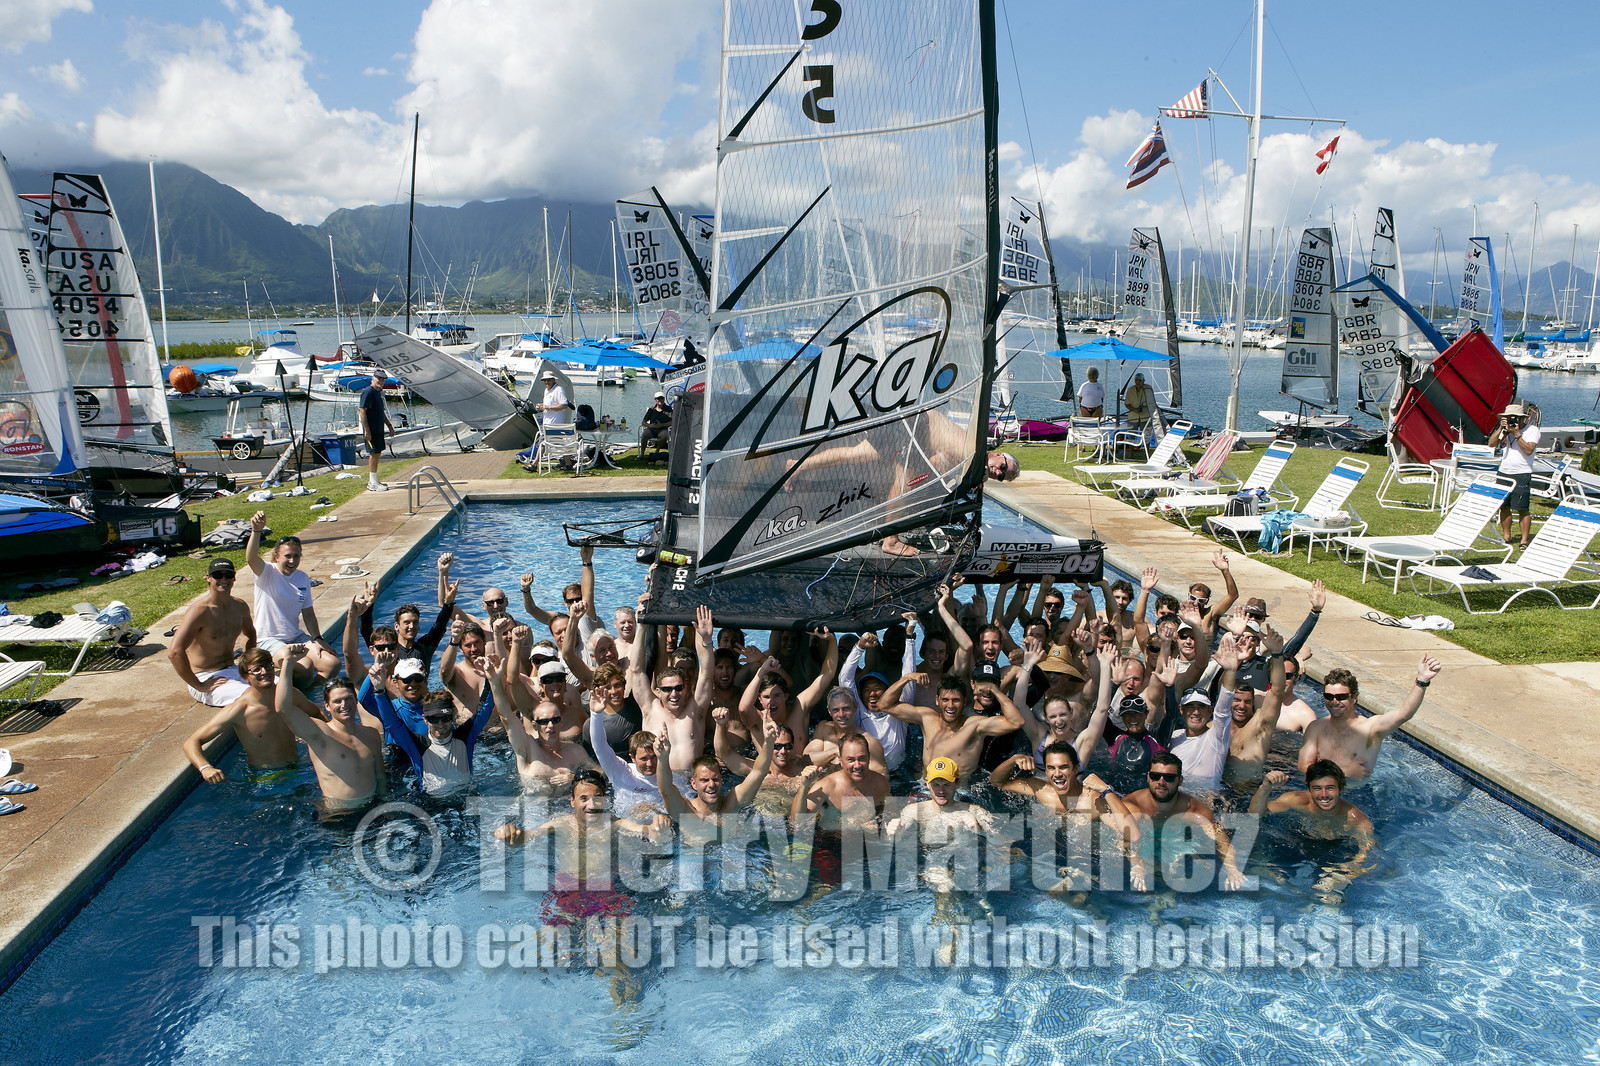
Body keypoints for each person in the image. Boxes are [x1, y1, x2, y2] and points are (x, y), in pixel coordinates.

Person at [367, 649, 497, 796]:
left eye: (445, 718)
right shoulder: (417, 744)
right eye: (434, 719)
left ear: (453, 716)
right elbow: (392, 723)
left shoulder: (465, 736)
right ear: (425, 719)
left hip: (465, 798)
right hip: (431, 804)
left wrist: (490, 679)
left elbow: (484, 709)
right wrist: (379, 690)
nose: (440, 724)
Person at [1299, 657, 1442, 780]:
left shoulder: (1370, 728)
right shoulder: (1316, 728)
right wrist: (1343, 772)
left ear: (1354, 697)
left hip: (1358, 795)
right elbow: (1303, 768)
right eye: (1329, 696)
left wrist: (1422, 681)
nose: (1334, 701)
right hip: (1321, 793)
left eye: (1341, 697)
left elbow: (1404, 714)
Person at [1121, 752, 1247, 891]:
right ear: (1148, 777)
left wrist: (1232, 869)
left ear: (1180, 780)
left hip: (1177, 847)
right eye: (1155, 776)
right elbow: (1124, 837)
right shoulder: (1133, 805)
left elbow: (1220, 838)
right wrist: (1137, 865)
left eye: (1169, 778)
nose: (1161, 782)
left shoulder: (1194, 810)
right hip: (1146, 844)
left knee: (1199, 866)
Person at [878, 673, 1026, 788]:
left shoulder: (974, 726)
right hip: (925, 787)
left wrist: (994, 690)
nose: (950, 706)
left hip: (959, 793)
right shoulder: (927, 718)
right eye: (945, 700)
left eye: (956, 700)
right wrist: (906, 678)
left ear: (964, 702)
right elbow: (884, 705)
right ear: (937, 700)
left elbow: (1016, 722)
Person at [274, 659, 384, 811]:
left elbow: (380, 776)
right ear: (326, 706)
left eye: (348, 699)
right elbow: (283, 709)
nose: (344, 705)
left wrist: (387, 806)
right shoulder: (320, 734)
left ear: (356, 700)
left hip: (373, 807)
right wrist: (287, 663)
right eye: (337, 701)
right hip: (339, 815)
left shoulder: (371, 734)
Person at [181, 647, 299, 784]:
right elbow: (191, 742)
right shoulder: (239, 710)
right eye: (257, 669)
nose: (264, 672)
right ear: (245, 677)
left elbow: (317, 713)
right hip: (266, 778)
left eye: (268, 666)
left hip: (297, 767)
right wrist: (205, 768)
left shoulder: (288, 696)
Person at [245, 511, 338, 680]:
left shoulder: (302, 578)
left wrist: (317, 638)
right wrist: (256, 531)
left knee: (332, 664)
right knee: (305, 667)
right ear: (276, 557)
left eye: (296, 556)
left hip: (295, 637)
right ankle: (293, 692)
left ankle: (312, 694)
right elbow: (251, 559)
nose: (292, 561)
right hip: (268, 639)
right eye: (287, 556)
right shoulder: (266, 573)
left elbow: (308, 613)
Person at [486, 657, 595, 794]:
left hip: (567, 807)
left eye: (555, 720)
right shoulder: (527, 748)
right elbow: (507, 718)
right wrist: (494, 682)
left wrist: (576, 778)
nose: (550, 726)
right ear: (535, 725)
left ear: (561, 722)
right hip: (535, 811)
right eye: (544, 722)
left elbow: (600, 773)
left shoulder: (576, 751)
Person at [169, 557, 257, 707]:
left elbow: (249, 633)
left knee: (281, 687)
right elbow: (175, 652)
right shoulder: (199, 611)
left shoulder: (239, 606)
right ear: (208, 578)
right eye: (218, 575)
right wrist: (199, 685)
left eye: (228, 575)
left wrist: (248, 663)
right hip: (206, 676)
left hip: (233, 669)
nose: (224, 579)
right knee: (254, 697)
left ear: (234, 577)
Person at [654, 719, 779, 819]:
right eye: (704, 780)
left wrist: (768, 742)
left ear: (721, 779)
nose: (711, 785)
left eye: (715, 779)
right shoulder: (686, 811)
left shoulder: (731, 804)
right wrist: (662, 758)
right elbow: (666, 789)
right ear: (693, 783)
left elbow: (758, 773)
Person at [791, 732, 891, 826]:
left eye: (862, 758)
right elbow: (797, 823)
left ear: (869, 758)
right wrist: (804, 786)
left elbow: (891, 815)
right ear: (840, 760)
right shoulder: (826, 787)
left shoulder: (879, 783)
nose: (857, 765)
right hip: (832, 838)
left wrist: (880, 826)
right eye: (850, 760)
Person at [1491, 401, 1541, 550]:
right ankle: (1507, 536)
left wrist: (1517, 434)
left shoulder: (1532, 430)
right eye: (1508, 417)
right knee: (1503, 506)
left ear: (1522, 418)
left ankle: (1524, 540)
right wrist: (1501, 428)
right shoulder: (1505, 430)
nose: (1512, 420)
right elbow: (1491, 444)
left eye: (1514, 417)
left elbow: (1529, 450)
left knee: (1522, 508)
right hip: (1504, 471)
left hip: (1522, 473)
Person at [358, 366, 394, 491]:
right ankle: (372, 483)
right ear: (373, 379)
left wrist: (389, 425)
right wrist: (366, 430)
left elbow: (381, 412)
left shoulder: (378, 393)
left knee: (377, 452)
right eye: (378, 379)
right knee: (373, 453)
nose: (381, 381)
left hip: (379, 429)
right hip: (371, 429)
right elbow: (362, 411)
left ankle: (375, 480)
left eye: (383, 380)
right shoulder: (368, 392)